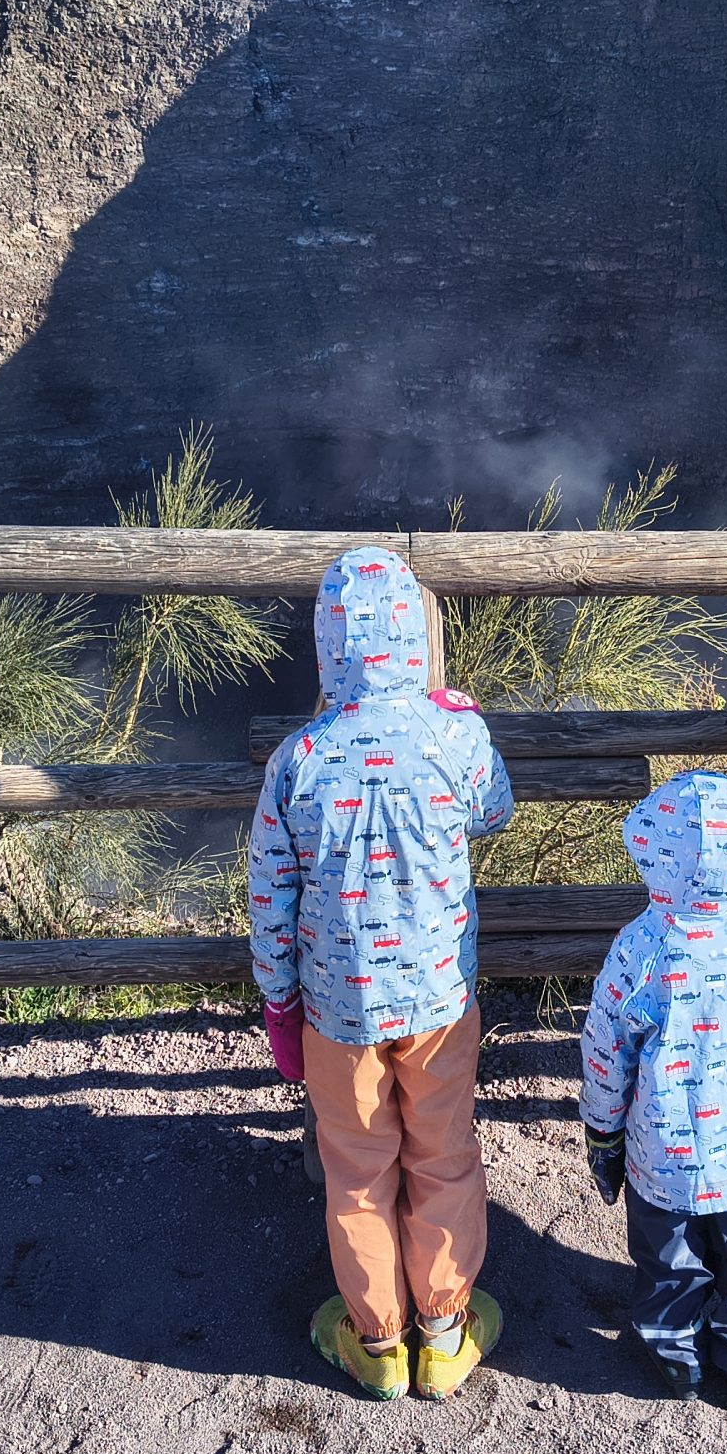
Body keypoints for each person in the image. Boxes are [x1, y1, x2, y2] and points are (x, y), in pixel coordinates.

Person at [249, 546, 516, 1401]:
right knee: (443, 1157)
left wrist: (280, 1001)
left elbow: (270, 898)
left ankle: (377, 1343)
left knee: (357, 1175)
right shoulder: (453, 735)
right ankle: (444, 1334)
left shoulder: (297, 759)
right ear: (415, 640)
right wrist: (461, 714)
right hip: (439, 999)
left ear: (326, 647)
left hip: (338, 1009)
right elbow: (496, 812)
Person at [580, 770, 727, 1406]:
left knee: (668, 1253)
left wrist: (602, 1129)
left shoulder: (640, 949)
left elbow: (606, 1051)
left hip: (661, 1151)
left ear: (651, 855)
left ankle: (674, 1349)